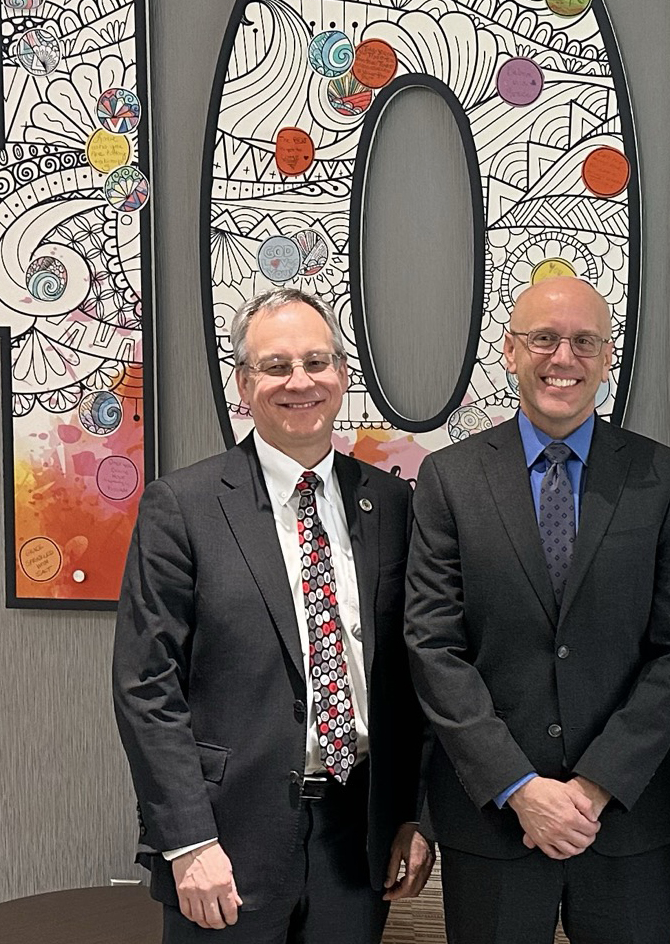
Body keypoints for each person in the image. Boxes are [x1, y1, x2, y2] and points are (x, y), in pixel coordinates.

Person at [112, 287, 431, 942]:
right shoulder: (183, 507)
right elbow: (146, 685)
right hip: (225, 841)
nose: (300, 381)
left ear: (341, 374)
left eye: (316, 361)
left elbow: (417, 672)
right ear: (243, 382)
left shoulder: (392, 503)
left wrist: (413, 813)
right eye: (277, 365)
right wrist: (188, 840)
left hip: (357, 834)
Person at [404, 276, 670, 944]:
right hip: (492, 817)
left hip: (626, 814)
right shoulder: (449, 480)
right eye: (543, 338)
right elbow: (433, 647)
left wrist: (597, 782)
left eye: (583, 341)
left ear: (608, 357)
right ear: (510, 351)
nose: (562, 357)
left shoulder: (665, 477)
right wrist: (519, 786)